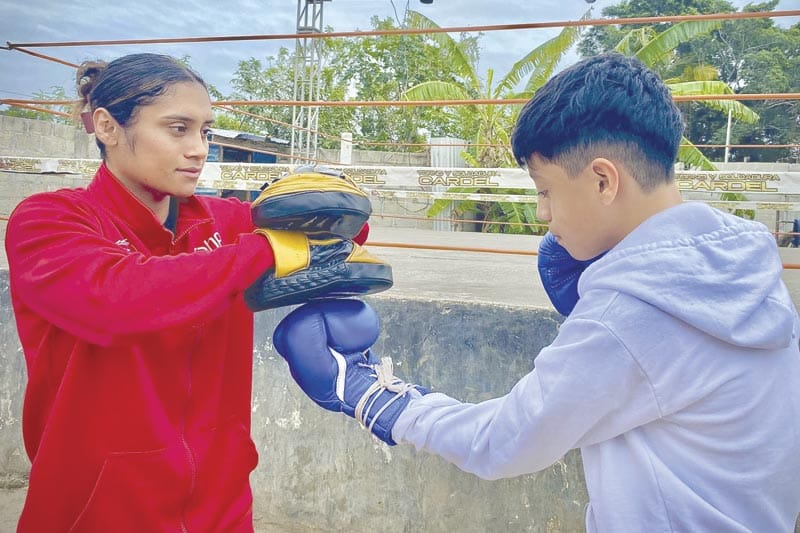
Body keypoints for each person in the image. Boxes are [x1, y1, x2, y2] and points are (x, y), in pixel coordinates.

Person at [272, 52, 800, 532]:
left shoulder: (628, 314)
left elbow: (503, 441)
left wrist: (375, 399)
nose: (543, 213)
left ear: (603, 181)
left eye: (546, 191)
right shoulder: (743, 270)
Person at [4, 52, 389, 532]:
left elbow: (341, 232)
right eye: (178, 129)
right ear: (106, 126)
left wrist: (330, 209)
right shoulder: (49, 221)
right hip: (97, 509)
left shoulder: (225, 224)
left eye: (205, 131)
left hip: (220, 505)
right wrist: (266, 248)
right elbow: (115, 300)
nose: (199, 149)